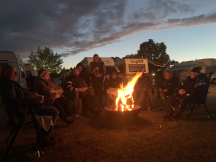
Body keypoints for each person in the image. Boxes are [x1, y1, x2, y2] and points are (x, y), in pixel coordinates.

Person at [0, 65, 59, 147]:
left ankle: (43, 136)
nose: (16, 74)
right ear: (5, 73)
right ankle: (43, 138)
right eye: (14, 72)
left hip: (27, 108)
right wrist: (32, 100)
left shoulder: (7, 83)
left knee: (50, 106)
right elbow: (10, 101)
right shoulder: (7, 84)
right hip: (26, 111)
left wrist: (31, 94)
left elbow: (19, 95)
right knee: (54, 111)